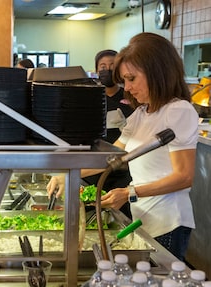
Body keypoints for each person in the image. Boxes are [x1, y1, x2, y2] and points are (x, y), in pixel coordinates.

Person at [48, 32, 198, 261]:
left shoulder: (178, 111)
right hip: (142, 217)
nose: (126, 88)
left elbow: (183, 176)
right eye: (124, 81)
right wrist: (67, 174)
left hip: (168, 222)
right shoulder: (141, 114)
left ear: (157, 73)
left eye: (132, 79)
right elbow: (111, 159)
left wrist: (130, 192)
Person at [82, 49, 135, 218]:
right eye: (102, 66)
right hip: (93, 166)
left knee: (120, 216)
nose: (107, 70)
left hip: (122, 169)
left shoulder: (130, 96)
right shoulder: (89, 96)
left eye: (112, 66)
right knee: (92, 214)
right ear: (96, 70)